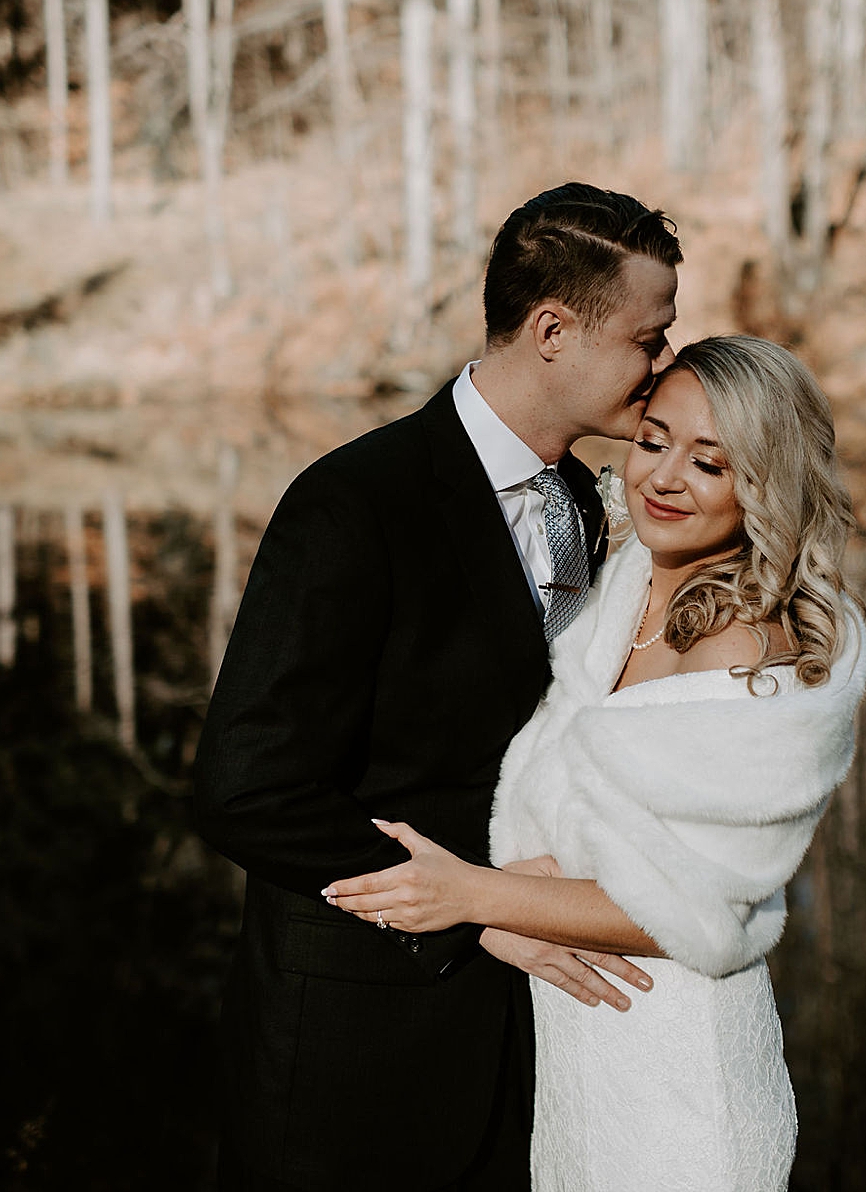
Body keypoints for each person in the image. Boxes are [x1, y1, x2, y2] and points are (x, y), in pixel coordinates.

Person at [191, 183, 683, 1191]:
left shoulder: (583, 509)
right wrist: (470, 910)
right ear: (554, 330)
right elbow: (246, 788)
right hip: (355, 1064)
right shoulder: (354, 506)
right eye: (648, 338)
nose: (662, 365)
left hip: (529, 1058)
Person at [323, 335, 866, 1191]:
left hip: (688, 1090)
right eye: (654, 441)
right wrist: (500, 904)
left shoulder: (749, 647)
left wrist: (472, 894)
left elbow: (698, 911)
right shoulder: (621, 587)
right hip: (582, 1077)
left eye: (710, 462)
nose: (663, 477)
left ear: (765, 481)